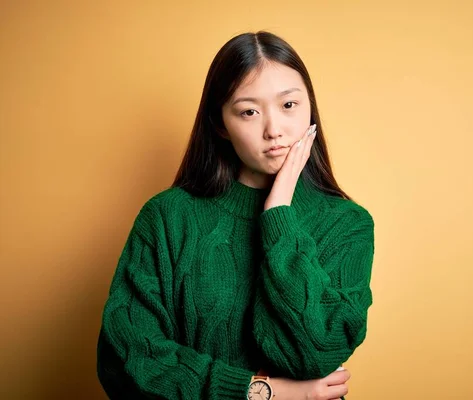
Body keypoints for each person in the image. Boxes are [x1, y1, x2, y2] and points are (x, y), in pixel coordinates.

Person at [96, 30, 375, 400]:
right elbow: (123, 360)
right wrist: (260, 392)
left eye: (289, 105)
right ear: (220, 124)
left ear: (310, 107)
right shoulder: (167, 217)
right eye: (249, 111)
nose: (274, 130)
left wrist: (278, 214)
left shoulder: (348, 223)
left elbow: (313, 353)